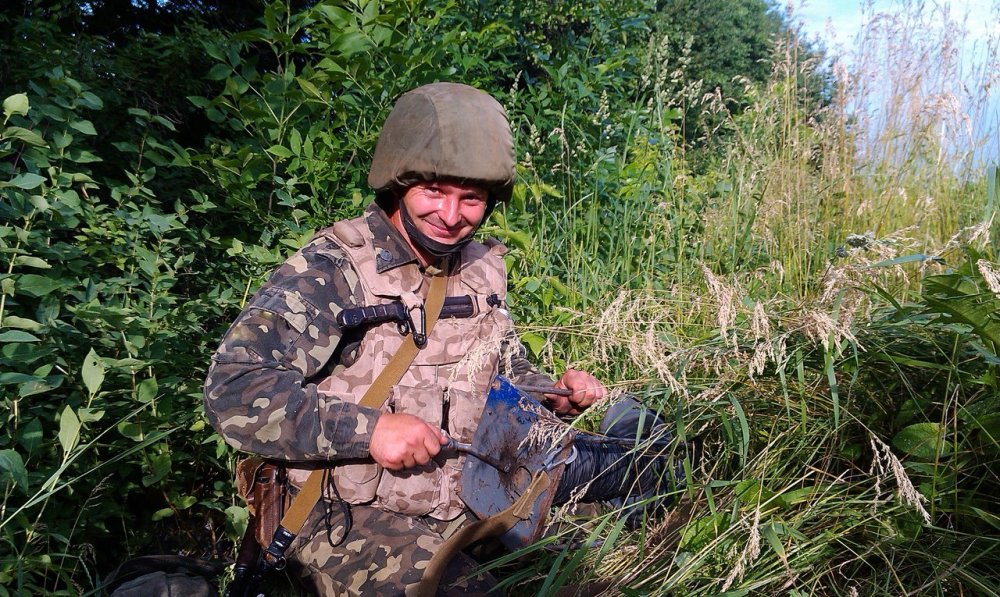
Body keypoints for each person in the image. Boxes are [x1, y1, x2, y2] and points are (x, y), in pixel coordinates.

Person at [204, 82, 610, 595]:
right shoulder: (333, 269)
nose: (451, 216)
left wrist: (550, 393)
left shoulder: (480, 270)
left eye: (471, 199)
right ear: (398, 183)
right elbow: (233, 389)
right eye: (434, 191)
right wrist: (370, 430)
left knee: (595, 567)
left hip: (466, 495)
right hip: (341, 513)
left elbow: (501, 368)